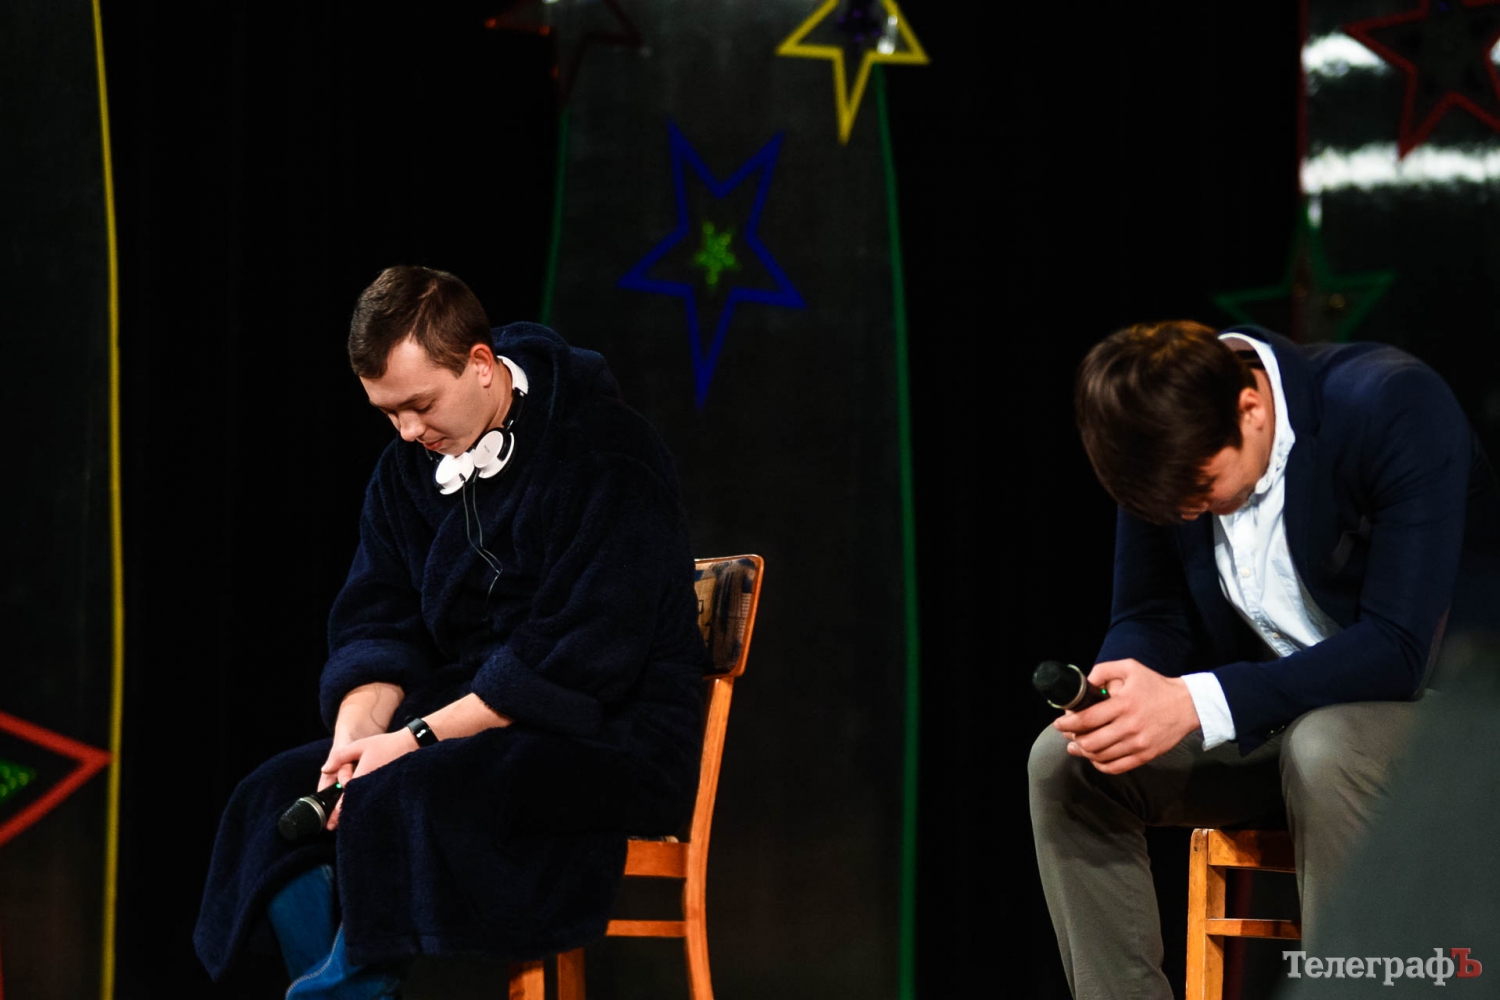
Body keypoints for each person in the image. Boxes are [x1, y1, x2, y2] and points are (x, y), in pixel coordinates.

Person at [193, 266, 708, 997]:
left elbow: (582, 656)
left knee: (401, 791)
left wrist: (412, 740)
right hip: (469, 728)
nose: (408, 431)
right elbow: (378, 620)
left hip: (612, 736)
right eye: (389, 413)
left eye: (421, 405)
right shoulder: (404, 473)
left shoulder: (605, 453)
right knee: (275, 797)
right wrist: (356, 736)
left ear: (480, 364)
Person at [1028, 320, 1500, 999]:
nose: (1186, 514)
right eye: (1165, 506)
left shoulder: (1392, 405)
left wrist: (1196, 701)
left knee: (1327, 745)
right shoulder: (1164, 448)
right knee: (1066, 765)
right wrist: (1121, 700)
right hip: (1288, 725)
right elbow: (1151, 614)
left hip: (1455, 725)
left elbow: (1398, 651)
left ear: (1250, 408)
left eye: (1202, 486)